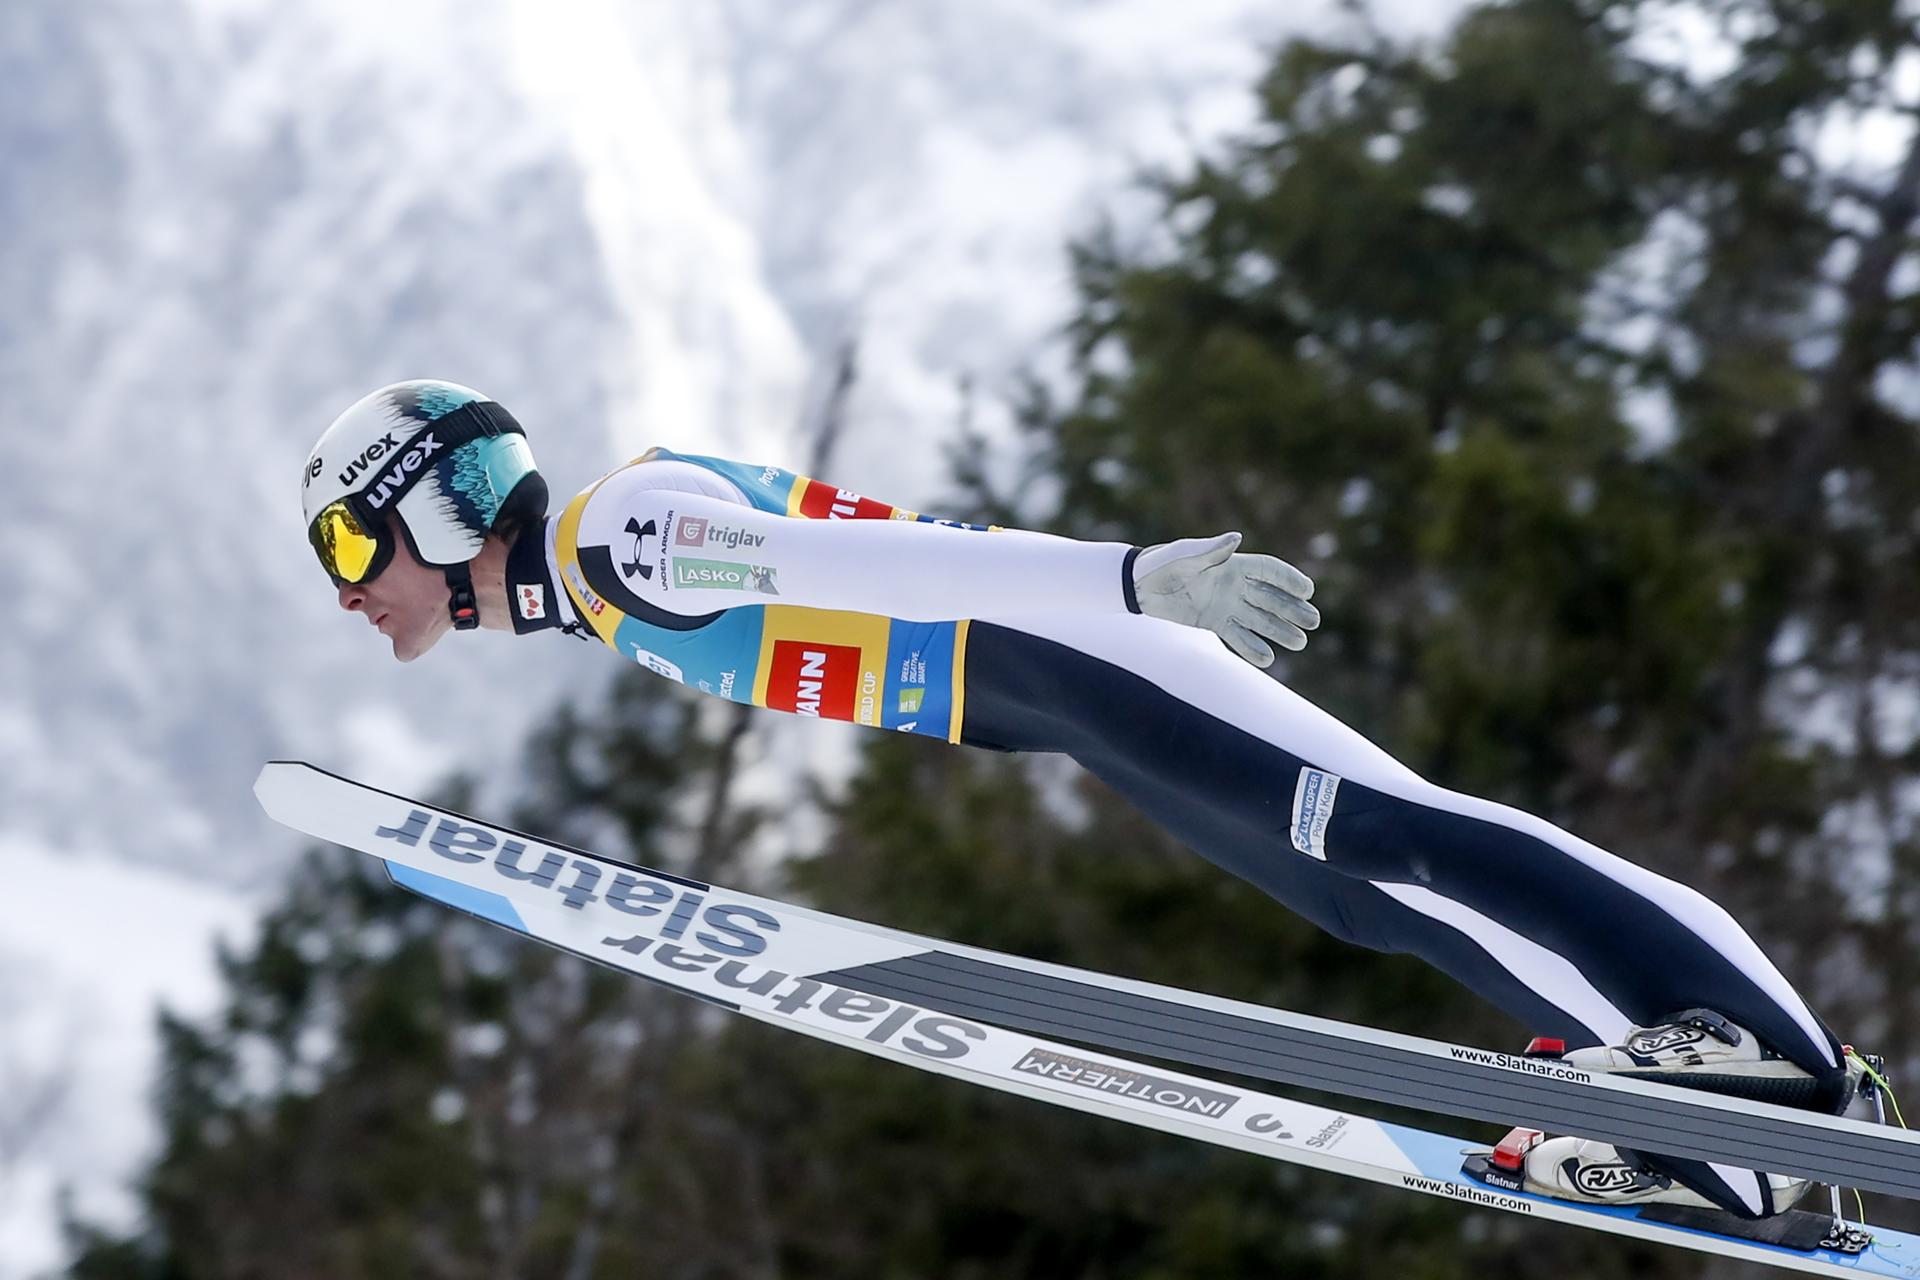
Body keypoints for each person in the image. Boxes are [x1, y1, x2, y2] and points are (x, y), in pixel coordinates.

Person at [304, 378, 1857, 1220]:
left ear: (440, 506)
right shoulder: (598, 588)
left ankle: (1770, 1059)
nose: (358, 596)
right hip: (1057, 702)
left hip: (1068, 650)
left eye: (359, 553)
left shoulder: (619, 541)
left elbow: (878, 566)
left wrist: (1134, 583)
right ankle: (1697, 1114)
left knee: (1385, 834)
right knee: (1360, 892)